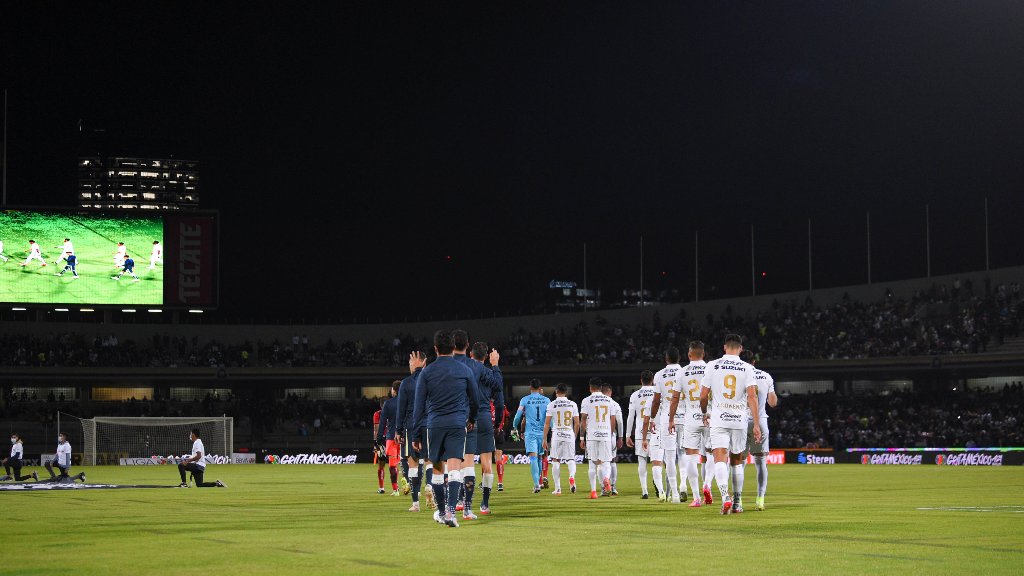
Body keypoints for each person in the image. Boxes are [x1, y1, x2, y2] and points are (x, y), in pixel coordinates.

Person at [410, 329, 479, 528]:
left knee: (438, 470)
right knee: (456, 467)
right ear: (453, 347)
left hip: (435, 425)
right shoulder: (464, 370)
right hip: (458, 423)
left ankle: (442, 512)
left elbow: (418, 406)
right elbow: (474, 399)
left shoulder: (427, 372)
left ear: (436, 348)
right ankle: (450, 512)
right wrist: (471, 418)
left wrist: (415, 434)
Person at [700, 334, 761, 514]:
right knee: (736, 461)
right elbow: (752, 396)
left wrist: (705, 412)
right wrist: (756, 424)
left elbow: (703, 396)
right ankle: (737, 502)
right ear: (740, 348)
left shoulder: (712, 365)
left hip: (719, 418)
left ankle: (725, 496)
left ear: (724, 347)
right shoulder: (747, 368)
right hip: (739, 420)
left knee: (719, 457)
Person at [459, 339, 503, 516]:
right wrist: (496, 365)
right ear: (486, 357)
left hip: (467, 417)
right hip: (484, 418)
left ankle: (462, 499)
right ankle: (484, 504)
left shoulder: (464, 370)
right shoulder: (488, 373)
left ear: (471, 354)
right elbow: (499, 401)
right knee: (487, 464)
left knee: (465, 460)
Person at [644, 347, 684, 503]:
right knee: (685, 454)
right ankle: (683, 486)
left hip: (668, 418)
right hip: (685, 416)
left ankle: (674, 494)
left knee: (669, 456)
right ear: (679, 358)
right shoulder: (685, 371)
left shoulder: (660, 375)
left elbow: (656, 400)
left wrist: (653, 417)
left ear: (666, 359)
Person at [395, 350, 430, 512]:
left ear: (421, 362)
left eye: (411, 363)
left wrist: (398, 430)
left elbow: (400, 409)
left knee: (413, 464)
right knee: (430, 461)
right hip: (430, 424)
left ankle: (415, 503)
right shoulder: (431, 379)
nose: (409, 366)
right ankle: (430, 487)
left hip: (411, 426)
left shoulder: (406, 383)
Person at [678, 341, 709, 507]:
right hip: (710, 418)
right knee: (712, 455)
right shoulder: (711, 368)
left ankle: (696, 498)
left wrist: (670, 420)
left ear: (689, 355)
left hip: (690, 418)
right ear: (703, 354)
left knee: (691, 457)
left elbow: (675, 397)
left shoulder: (682, 372)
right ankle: (708, 485)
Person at [579, 377, 616, 499]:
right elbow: (613, 419)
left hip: (592, 435)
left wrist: (583, 437)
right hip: (605, 434)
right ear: (601, 388)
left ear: (590, 387)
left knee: (592, 464)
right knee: (606, 462)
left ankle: (594, 492)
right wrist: (610, 434)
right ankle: (606, 478)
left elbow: (583, 419)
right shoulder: (609, 400)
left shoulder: (586, 400)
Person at [512, 378, 550, 493]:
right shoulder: (547, 400)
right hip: (542, 433)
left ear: (530, 388)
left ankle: (536, 485)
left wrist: (514, 427)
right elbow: (550, 418)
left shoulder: (525, 400)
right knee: (539, 457)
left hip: (530, 433)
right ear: (540, 388)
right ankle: (538, 482)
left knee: (533, 458)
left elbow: (518, 416)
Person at [748, 365, 778, 511]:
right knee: (760, 463)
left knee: (737, 462)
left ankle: (737, 500)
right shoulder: (766, 376)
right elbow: (772, 403)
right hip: (760, 421)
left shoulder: (737, 372)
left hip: (739, 422)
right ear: (753, 361)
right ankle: (760, 499)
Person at [542, 383, 579, 495]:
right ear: (566, 392)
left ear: (556, 392)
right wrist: (575, 436)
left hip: (557, 434)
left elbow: (547, 423)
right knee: (571, 459)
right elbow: (577, 423)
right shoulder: (572, 404)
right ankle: (571, 477)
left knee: (555, 460)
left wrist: (544, 439)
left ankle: (558, 489)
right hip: (569, 434)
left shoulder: (551, 404)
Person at [626, 370, 657, 499]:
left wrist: (627, 434)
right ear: (653, 380)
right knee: (658, 461)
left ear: (641, 380)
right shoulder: (658, 392)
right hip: (656, 430)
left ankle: (644, 491)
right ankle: (659, 486)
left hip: (640, 432)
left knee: (642, 460)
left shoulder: (635, 395)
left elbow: (630, 416)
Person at [376, 381, 401, 496]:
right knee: (406, 463)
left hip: (391, 438)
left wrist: (379, 438)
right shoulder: (408, 403)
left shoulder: (388, 404)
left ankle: (395, 489)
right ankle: (412, 488)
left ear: (394, 390)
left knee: (392, 465)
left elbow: (382, 423)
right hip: (405, 437)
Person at [601, 384, 624, 495]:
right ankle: (613, 487)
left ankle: (603, 488)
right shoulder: (615, 404)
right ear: (610, 392)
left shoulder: (596, 402)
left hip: (598, 435)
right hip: (611, 436)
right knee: (612, 460)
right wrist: (620, 437)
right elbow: (619, 422)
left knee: (601, 462)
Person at [493, 400, 510, 491]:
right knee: (498, 458)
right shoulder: (502, 405)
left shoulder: (486, 405)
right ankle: (500, 483)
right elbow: (507, 416)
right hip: (500, 432)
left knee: (485, 457)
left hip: (489, 433)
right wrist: (503, 428)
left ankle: (484, 482)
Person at [372, 404, 386, 494]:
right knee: (397, 464)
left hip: (382, 441)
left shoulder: (377, 414)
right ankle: (397, 487)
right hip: (394, 439)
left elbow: (376, 430)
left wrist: (375, 443)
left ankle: (381, 488)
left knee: (381, 465)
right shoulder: (395, 411)